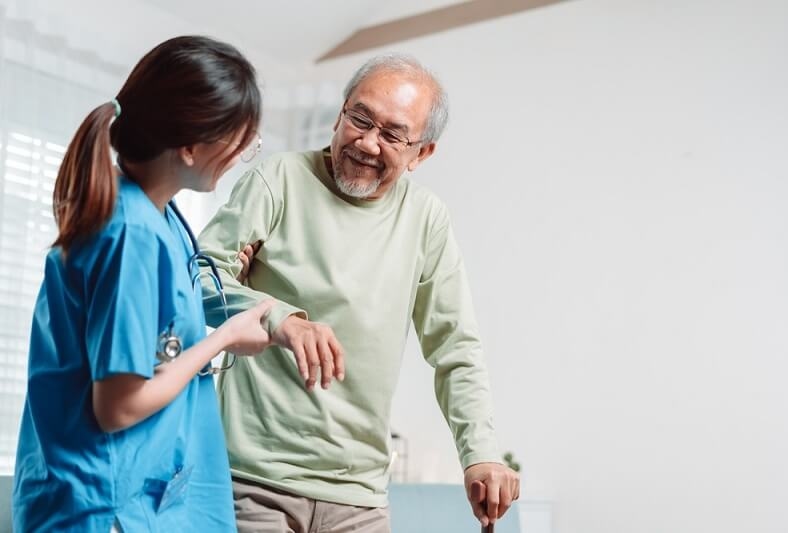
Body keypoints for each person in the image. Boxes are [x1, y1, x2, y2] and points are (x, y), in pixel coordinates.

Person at [198, 54, 520, 532]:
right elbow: (196, 277)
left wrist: (481, 455)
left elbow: (456, 348)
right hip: (252, 480)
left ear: (422, 153)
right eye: (360, 119)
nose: (367, 143)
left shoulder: (426, 219)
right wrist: (278, 320)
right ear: (340, 114)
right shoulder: (278, 180)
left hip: (359, 497)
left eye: (392, 135)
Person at [12, 35, 274, 532]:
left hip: (133, 494)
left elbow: (161, 333)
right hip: (102, 505)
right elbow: (118, 405)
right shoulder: (130, 230)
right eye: (240, 141)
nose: (242, 155)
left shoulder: (160, 219)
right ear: (192, 146)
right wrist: (224, 338)